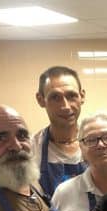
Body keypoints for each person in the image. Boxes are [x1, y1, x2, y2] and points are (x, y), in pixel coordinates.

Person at [33, 65, 87, 197]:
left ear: (82, 96)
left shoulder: (100, 144)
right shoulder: (31, 150)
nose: (65, 106)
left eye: (71, 96)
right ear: (40, 100)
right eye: (55, 97)